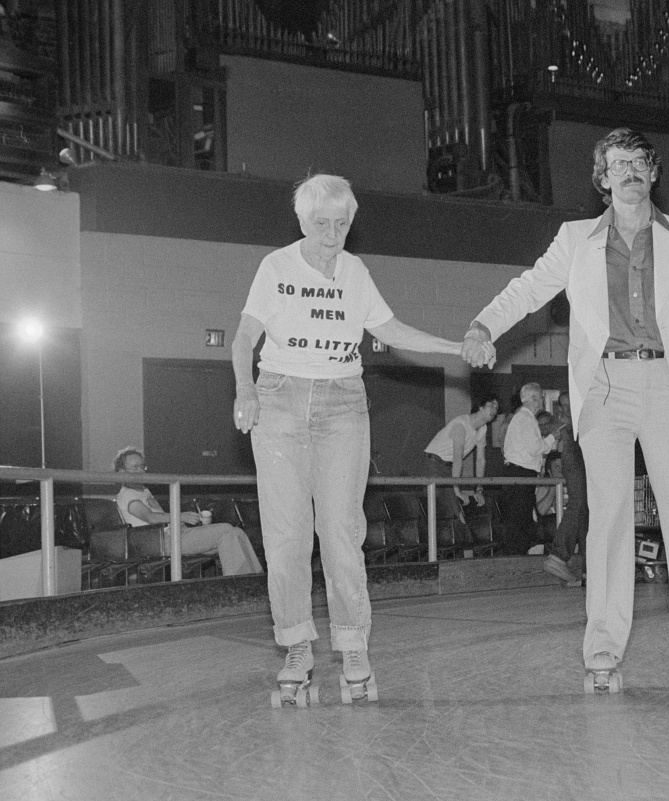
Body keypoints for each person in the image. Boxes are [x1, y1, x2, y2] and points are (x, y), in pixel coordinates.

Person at [460, 127, 669, 687]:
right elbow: (528, 288)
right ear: (603, 178)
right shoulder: (575, 239)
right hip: (605, 387)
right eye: (618, 164)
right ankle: (604, 650)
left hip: (667, 383)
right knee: (608, 518)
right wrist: (482, 324)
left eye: (640, 162)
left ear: (653, 173)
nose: (630, 171)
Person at [231, 173, 461, 700]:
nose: (331, 233)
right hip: (280, 400)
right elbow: (244, 336)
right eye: (320, 224)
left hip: (342, 404)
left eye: (340, 224)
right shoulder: (276, 267)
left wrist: (454, 347)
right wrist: (245, 389)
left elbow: (393, 330)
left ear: (351, 223)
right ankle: (295, 644)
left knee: (340, 531)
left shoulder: (356, 273)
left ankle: (353, 643)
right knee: (288, 533)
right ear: (302, 221)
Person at [113, 447, 263, 576]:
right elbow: (150, 517)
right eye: (134, 468)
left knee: (236, 533)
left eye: (142, 467)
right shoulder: (127, 494)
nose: (140, 471)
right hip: (160, 542)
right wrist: (181, 516)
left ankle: (255, 580)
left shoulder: (144, 490)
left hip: (176, 534)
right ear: (121, 472)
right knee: (225, 531)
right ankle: (237, 584)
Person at [500, 382, 557, 556]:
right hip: (520, 474)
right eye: (540, 397)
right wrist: (553, 437)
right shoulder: (525, 418)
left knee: (520, 520)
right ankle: (516, 559)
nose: (541, 401)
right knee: (519, 520)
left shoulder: (523, 417)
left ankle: (516, 557)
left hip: (519, 473)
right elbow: (535, 448)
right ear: (534, 398)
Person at [424, 395, 499, 522]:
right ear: (480, 406)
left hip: (448, 466)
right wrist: (457, 490)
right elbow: (458, 458)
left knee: (455, 510)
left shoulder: (483, 428)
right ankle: (445, 537)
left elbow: (480, 461)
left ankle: (457, 534)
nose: (494, 410)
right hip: (434, 464)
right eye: (491, 405)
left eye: (497, 407)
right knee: (446, 507)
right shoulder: (461, 424)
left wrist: (479, 489)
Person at [544, 392, 588, 585]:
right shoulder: (561, 422)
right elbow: (546, 429)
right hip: (575, 456)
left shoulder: (581, 414)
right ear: (560, 407)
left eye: (570, 402)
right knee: (579, 504)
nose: (568, 407)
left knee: (586, 510)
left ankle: (588, 569)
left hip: (582, 455)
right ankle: (558, 555)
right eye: (564, 404)